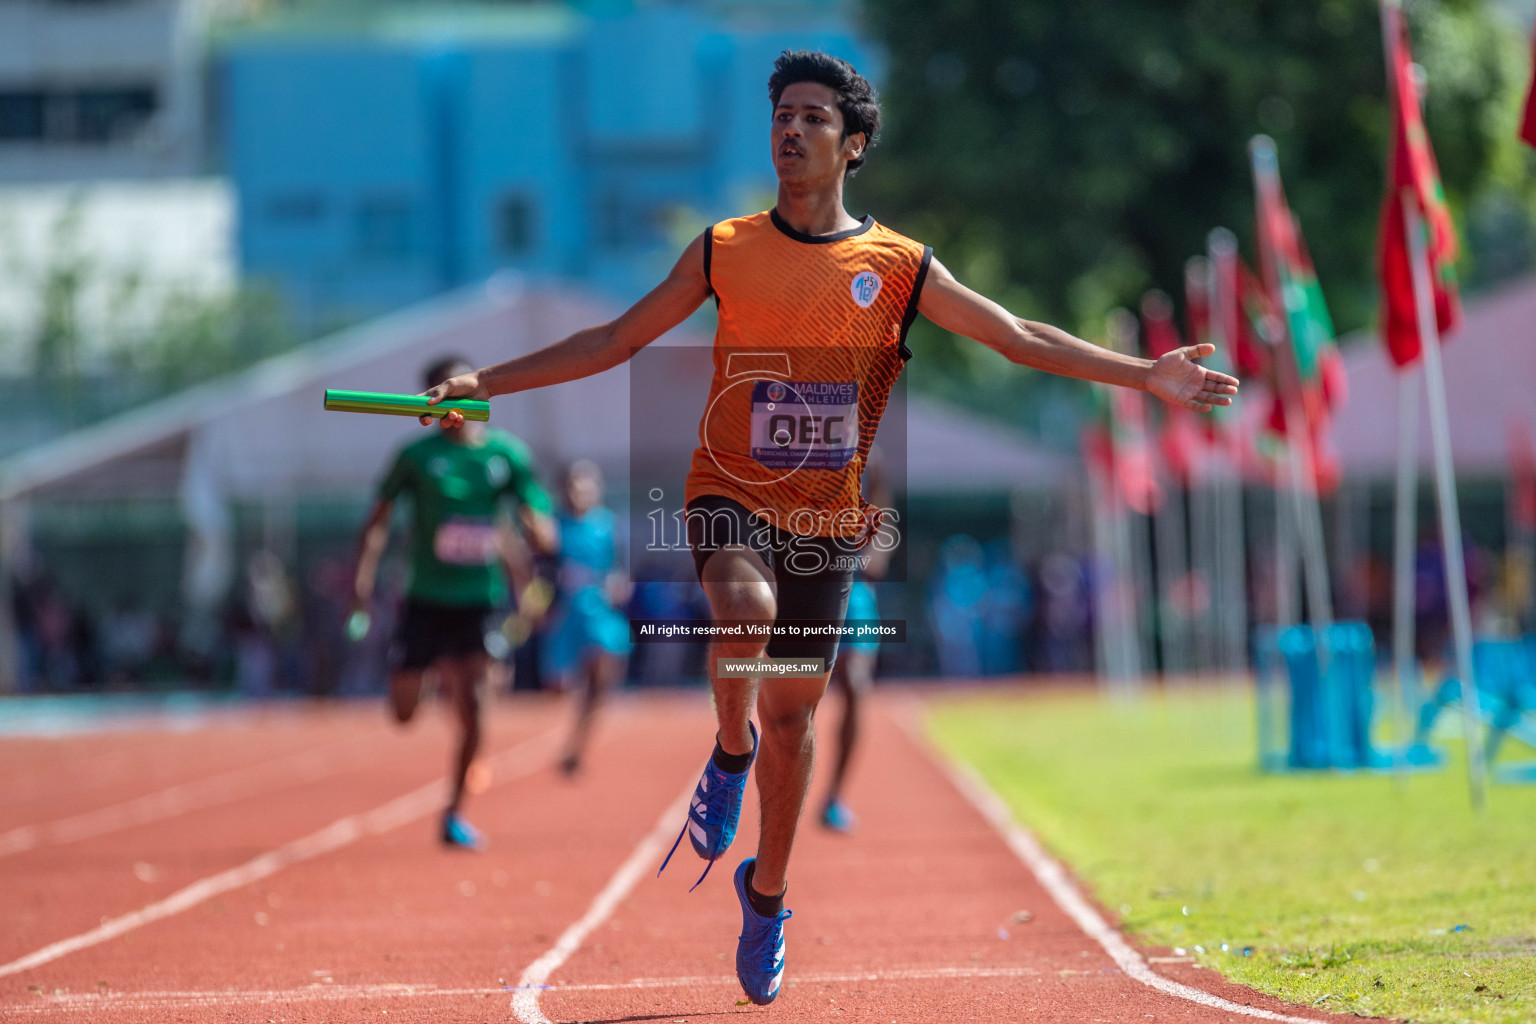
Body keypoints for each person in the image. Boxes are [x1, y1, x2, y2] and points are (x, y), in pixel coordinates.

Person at [419, 51, 1237, 1003]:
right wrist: (486, 385)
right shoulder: (724, 246)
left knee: (795, 713)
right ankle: (729, 753)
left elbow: (1017, 337)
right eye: (782, 114)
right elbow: (616, 341)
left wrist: (1145, 376)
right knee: (741, 604)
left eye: (812, 116)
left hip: (828, 520)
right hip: (725, 489)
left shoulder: (897, 267)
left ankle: (766, 892)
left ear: (851, 145)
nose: (791, 129)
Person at [353, 354, 555, 851]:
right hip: (425, 596)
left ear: (479, 392)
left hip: (478, 599)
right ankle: (431, 679)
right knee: (403, 713)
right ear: (427, 402)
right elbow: (377, 521)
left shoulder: (507, 456)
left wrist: (537, 533)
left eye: (461, 389)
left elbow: (539, 528)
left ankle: (454, 814)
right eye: (439, 393)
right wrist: (362, 580)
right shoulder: (416, 457)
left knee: (479, 703)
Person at [541, 460, 633, 775]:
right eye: (571, 485)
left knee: (600, 678)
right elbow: (541, 568)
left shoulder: (608, 525)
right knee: (557, 688)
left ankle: (576, 746)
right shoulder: (552, 526)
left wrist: (618, 585)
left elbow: (619, 568)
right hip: (564, 614)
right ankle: (562, 726)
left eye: (585, 485)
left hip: (598, 612)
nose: (578, 491)